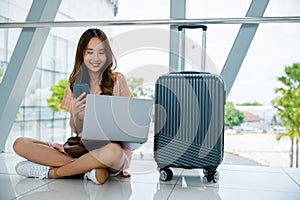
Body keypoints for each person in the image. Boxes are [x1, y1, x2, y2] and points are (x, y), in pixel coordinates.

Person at [13, 28, 133, 184]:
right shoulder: (75, 83)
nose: (95, 58)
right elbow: (76, 130)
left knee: (113, 151)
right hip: (82, 149)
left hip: (110, 150)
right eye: (90, 52)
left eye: (101, 52)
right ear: (82, 54)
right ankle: (90, 169)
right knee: (20, 144)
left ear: (107, 55)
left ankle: (53, 173)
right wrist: (75, 113)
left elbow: (129, 119)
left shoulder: (117, 80)